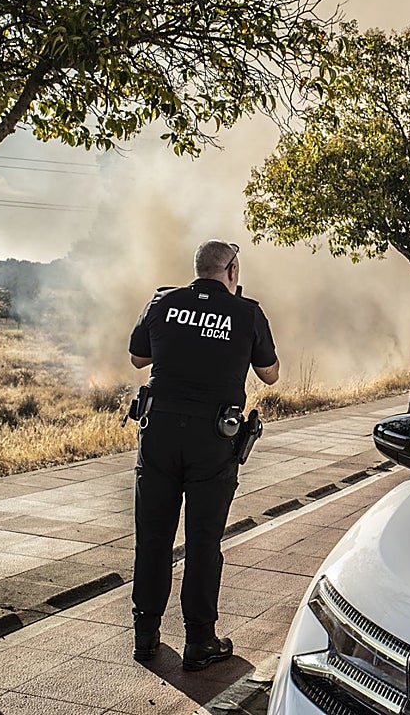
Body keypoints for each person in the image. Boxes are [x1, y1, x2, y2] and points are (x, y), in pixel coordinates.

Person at [127, 240, 280, 669]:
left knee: (153, 536)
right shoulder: (248, 312)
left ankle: (145, 635)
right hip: (213, 441)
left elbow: (139, 357)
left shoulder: (163, 301)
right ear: (231, 270)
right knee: (203, 541)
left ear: (198, 269)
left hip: (158, 434)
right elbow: (270, 375)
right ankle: (199, 641)